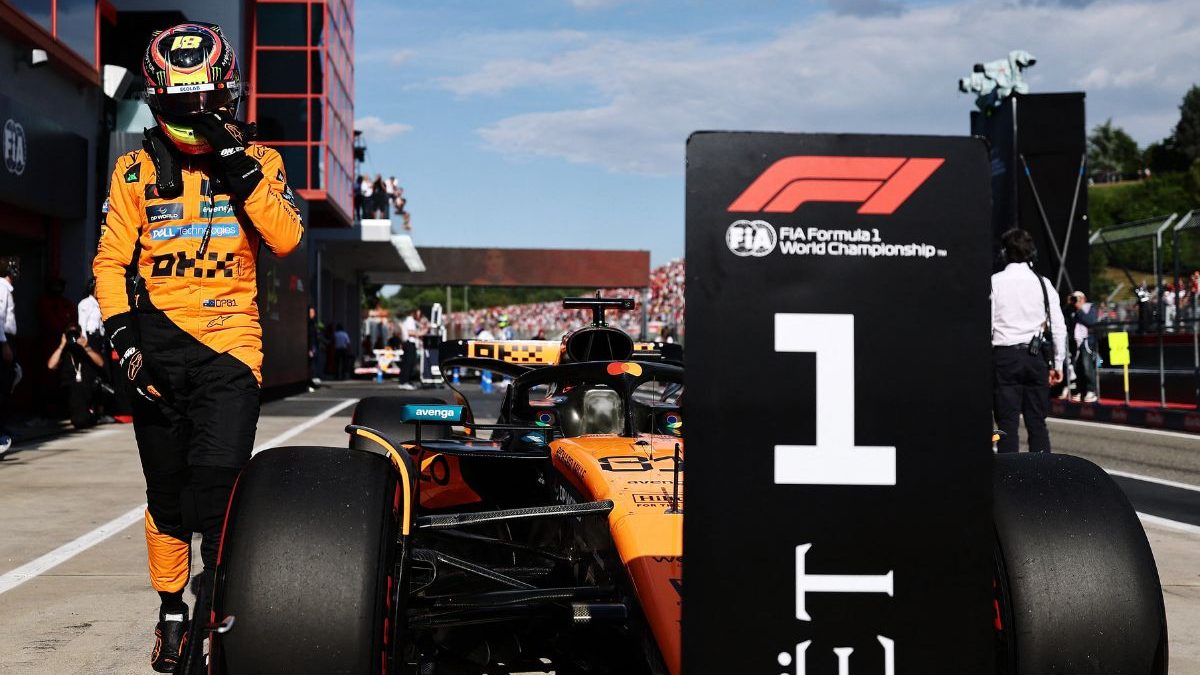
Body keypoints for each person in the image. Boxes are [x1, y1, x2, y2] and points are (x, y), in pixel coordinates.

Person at [91, 22, 303, 673]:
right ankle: (173, 612)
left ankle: (221, 609)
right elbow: (107, 263)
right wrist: (124, 341)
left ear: (228, 96)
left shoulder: (261, 161)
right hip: (155, 353)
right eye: (183, 103)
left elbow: (287, 236)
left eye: (206, 100)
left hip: (230, 354)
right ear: (159, 99)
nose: (195, 114)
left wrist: (232, 161)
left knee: (218, 496)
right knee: (167, 499)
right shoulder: (132, 171)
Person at [991, 229, 1067, 453]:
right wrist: (1058, 363)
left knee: (1006, 424)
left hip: (1005, 355)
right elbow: (1059, 327)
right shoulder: (1043, 284)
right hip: (1036, 358)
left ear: (1004, 253)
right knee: (1037, 423)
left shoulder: (995, 282)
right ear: (1031, 253)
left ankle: (1008, 479)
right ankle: (1041, 477)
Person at [47, 325, 107, 429]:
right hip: (70, 390)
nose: (73, 338)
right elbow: (51, 365)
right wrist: (62, 346)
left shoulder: (86, 348)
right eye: (70, 335)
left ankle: (89, 414)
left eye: (75, 334)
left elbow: (101, 363)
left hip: (87, 389)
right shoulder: (65, 352)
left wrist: (86, 347)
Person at [1067, 291, 1099, 403]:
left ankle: (1091, 391)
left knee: (1087, 366)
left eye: (1077, 298)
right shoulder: (1071, 310)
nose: (1075, 301)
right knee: (1077, 367)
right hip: (1076, 341)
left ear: (1083, 298)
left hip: (1086, 340)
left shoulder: (1090, 307)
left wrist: (1080, 309)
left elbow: (1091, 321)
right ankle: (1081, 390)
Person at [0, 257, 18, 457]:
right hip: (4, 339)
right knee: (3, 387)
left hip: (7, 339)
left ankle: (4, 429)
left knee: (11, 380)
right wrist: (4, 343)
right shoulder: (2, 288)